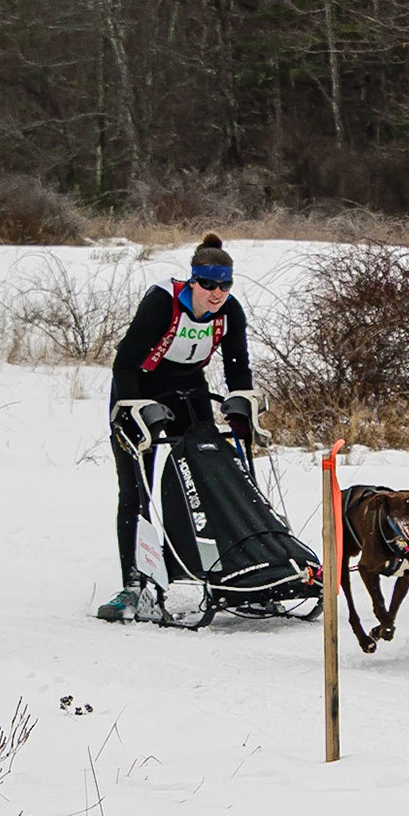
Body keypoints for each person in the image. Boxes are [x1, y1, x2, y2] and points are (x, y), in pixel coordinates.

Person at [96, 233, 255, 621]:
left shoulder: (230, 312)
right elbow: (125, 362)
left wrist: (240, 406)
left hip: (189, 389)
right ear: (193, 281)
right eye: (209, 285)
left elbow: (237, 365)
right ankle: (134, 584)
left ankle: (228, 571)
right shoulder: (162, 302)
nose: (217, 293)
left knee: (214, 476)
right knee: (136, 488)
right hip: (139, 389)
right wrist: (133, 409)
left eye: (225, 285)